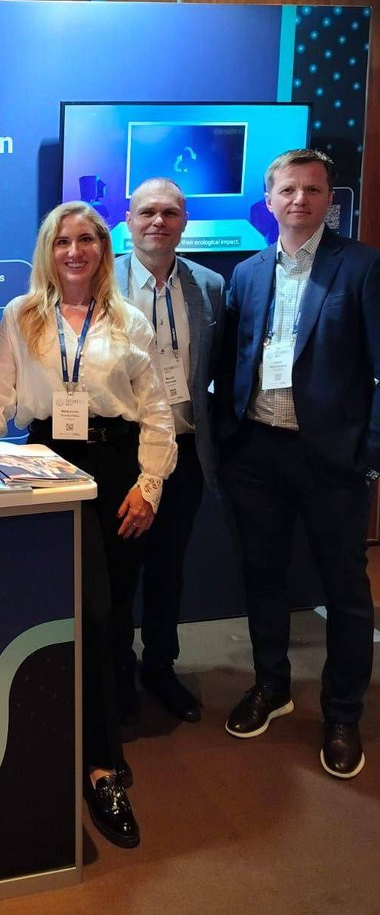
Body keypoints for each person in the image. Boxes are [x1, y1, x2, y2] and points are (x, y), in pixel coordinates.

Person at [0, 201, 176, 849]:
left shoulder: (129, 321)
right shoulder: (23, 315)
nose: (74, 251)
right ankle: (89, 760)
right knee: (76, 616)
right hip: (47, 467)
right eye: (62, 240)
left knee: (106, 614)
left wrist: (149, 485)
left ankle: (98, 749)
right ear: (48, 250)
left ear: (103, 249)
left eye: (86, 240)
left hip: (117, 471)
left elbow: (157, 412)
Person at [218, 149, 379, 779]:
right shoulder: (248, 271)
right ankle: (272, 686)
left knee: (346, 591)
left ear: (329, 199)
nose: (300, 200)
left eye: (313, 190)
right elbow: (233, 358)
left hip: (331, 458)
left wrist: (369, 452)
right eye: (288, 190)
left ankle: (342, 713)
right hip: (258, 452)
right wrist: (229, 436)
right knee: (263, 577)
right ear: (269, 198)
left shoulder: (362, 266)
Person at [114, 178, 225, 722]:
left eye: (170, 213)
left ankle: (160, 666)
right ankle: (116, 675)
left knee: (168, 569)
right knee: (117, 572)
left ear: (184, 222)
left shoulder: (210, 285)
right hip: (121, 452)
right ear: (128, 221)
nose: (158, 222)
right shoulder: (101, 278)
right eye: (147, 212)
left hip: (184, 451)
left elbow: (217, 368)